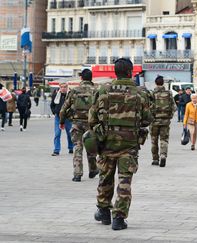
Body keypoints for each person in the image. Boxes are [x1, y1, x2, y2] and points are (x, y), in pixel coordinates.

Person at [89, 58, 153, 230]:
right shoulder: (140, 92)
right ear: (130, 72)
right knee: (125, 181)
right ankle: (118, 218)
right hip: (129, 144)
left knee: (105, 177)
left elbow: (92, 118)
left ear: (115, 72)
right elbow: (147, 119)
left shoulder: (103, 90)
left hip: (107, 143)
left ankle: (103, 211)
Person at [60, 69, 98, 182]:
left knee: (77, 147)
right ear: (91, 78)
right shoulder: (96, 91)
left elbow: (63, 109)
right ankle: (93, 169)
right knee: (91, 147)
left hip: (77, 124)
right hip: (91, 124)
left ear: (81, 78)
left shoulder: (74, 91)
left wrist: (62, 121)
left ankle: (77, 174)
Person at [150, 75, 176, 167]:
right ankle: (163, 155)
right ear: (163, 83)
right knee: (164, 139)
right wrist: (170, 117)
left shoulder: (152, 94)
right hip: (165, 121)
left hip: (154, 121)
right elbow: (174, 107)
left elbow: (148, 107)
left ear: (155, 83)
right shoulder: (168, 93)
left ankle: (155, 159)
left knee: (154, 140)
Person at [50, 82, 73, 156]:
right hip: (58, 117)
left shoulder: (70, 95)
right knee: (57, 133)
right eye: (62, 87)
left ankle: (71, 147)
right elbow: (52, 105)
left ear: (67, 87)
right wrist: (54, 112)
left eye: (65, 87)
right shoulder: (56, 95)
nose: (63, 88)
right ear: (59, 87)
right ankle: (56, 150)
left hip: (67, 118)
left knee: (70, 134)